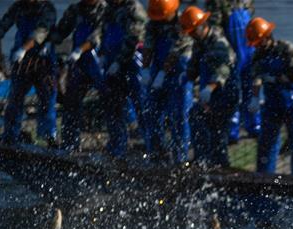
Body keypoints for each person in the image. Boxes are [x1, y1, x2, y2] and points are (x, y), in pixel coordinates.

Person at [0, 0, 58, 146]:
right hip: (21, 63)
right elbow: (2, 25)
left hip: (43, 61)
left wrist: (24, 49)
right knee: (14, 99)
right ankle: (11, 136)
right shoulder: (18, 6)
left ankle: (49, 138)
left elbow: (41, 32)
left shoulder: (47, 8)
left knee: (47, 98)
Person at [244, 17, 293, 175]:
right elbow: (256, 76)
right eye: (256, 43)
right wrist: (254, 97)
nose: (258, 46)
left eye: (259, 42)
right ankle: (264, 178)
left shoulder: (286, 48)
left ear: (267, 37)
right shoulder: (258, 56)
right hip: (273, 102)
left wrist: (277, 78)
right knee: (266, 142)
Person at [48, 0, 107, 153]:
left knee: (110, 101)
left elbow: (98, 35)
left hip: (99, 61)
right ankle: (70, 145)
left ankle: (118, 147)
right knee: (71, 103)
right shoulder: (75, 10)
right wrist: (45, 39)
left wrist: (81, 49)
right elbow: (61, 32)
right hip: (79, 63)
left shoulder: (106, 10)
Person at [183, 6, 238, 167]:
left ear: (202, 27)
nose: (191, 35)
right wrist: (186, 75)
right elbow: (193, 67)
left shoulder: (218, 43)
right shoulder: (199, 43)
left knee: (218, 134)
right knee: (196, 116)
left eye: (193, 31)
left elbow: (222, 71)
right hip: (210, 93)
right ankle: (202, 161)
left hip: (226, 93)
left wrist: (209, 89)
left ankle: (221, 168)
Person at [143, 0, 193, 163]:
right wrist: (145, 68)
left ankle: (181, 158)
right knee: (152, 113)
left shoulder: (183, 22)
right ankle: (156, 154)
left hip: (178, 72)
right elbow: (148, 45)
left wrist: (163, 73)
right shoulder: (153, 23)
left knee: (178, 116)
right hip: (157, 69)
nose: (160, 20)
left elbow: (177, 49)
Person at [99, 0, 148, 157]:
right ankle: (117, 144)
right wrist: (101, 53)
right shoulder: (109, 8)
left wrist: (119, 62)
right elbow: (103, 31)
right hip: (112, 61)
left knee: (140, 102)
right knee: (112, 104)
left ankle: (151, 144)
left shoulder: (134, 9)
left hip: (131, 62)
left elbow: (134, 39)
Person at [205, 0, 259, 141]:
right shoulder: (216, 3)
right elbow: (214, 27)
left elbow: (251, 15)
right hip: (231, 49)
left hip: (249, 48)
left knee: (251, 86)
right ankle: (232, 129)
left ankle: (254, 125)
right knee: (232, 90)